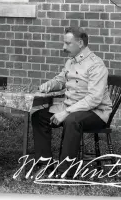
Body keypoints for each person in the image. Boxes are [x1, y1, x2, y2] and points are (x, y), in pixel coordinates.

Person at [31, 26, 112, 176]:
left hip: (95, 112)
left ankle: (64, 173)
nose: (64, 47)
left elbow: (94, 99)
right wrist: (48, 85)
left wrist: (66, 112)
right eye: (64, 43)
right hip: (71, 107)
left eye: (68, 43)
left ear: (80, 43)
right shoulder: (70, 62)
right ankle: (45, 164)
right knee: (39, 117)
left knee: (72, 121)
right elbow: (61, 80)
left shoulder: (96, 64)